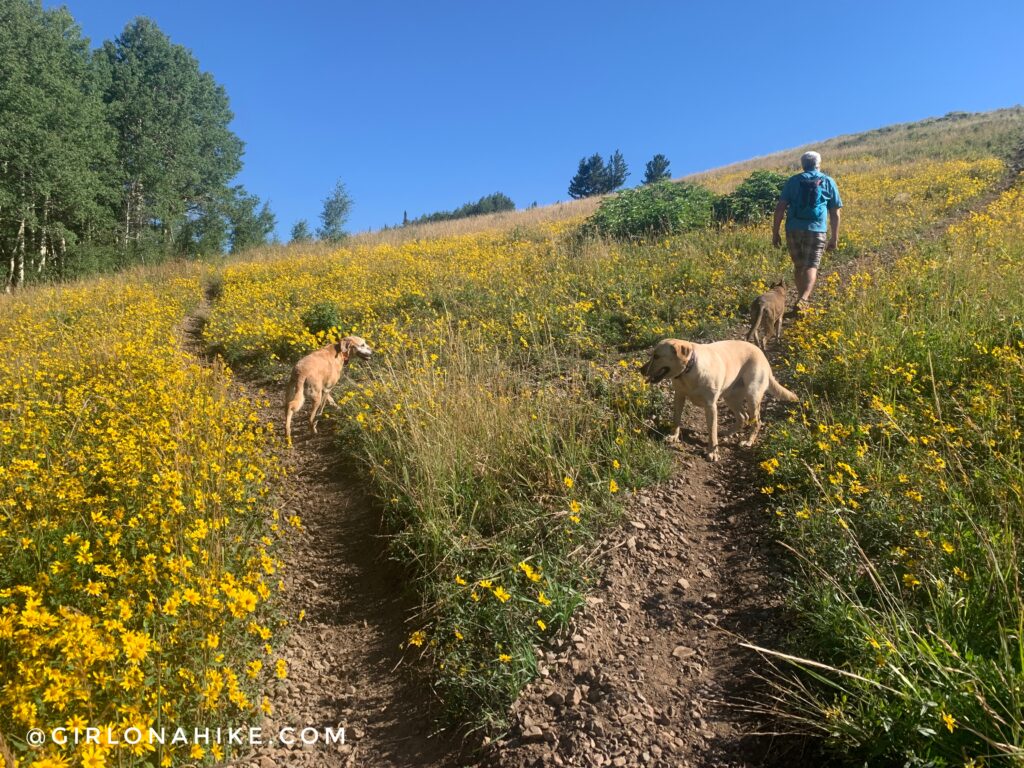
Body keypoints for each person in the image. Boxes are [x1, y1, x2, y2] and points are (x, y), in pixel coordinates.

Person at [772, 151, 842, 313]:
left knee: (799, 265)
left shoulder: (793, 181)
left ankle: (800, 298)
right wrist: (834, 237)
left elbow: (780, 208)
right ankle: (803, 299)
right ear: (819, 164)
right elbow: (835, 212)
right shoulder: (828, 181)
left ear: (803, 165)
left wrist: (775, 233)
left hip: (793, 229)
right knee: (811, 265)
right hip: (816, 229)